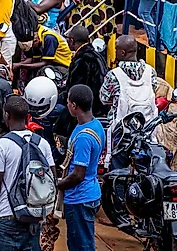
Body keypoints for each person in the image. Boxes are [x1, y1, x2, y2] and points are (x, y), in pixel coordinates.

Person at [0, 95, 53, 251]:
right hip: (33, 217)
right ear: (28, 116)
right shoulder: (42, 143)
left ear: (6, 115)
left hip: (5, 218)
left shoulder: (1, 145)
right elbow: (51, 178)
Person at [57, 84, 105, 251]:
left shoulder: (84, 137)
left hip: (79, 198)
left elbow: (78, 175)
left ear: (74, 106)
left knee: (81, 245)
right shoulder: (96, 125)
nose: (67, 105)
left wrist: (57, 185)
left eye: (69, 102)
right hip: (90, 192)